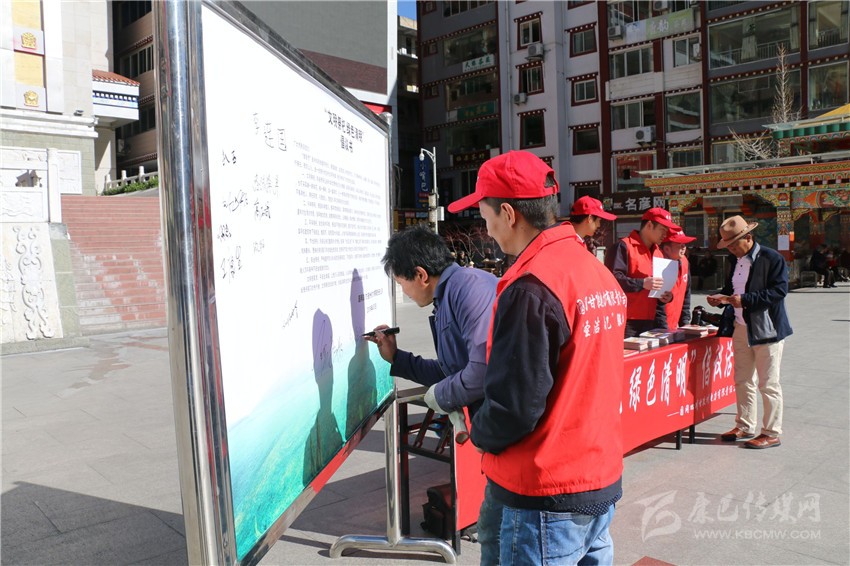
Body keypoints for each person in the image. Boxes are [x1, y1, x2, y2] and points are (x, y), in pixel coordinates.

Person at [447, 151, 626, 565]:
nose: (486, 230)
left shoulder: (532, 286)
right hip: (597, 475)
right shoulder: (593, 270)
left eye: (485, 216)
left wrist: (477, 431)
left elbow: (515, 407)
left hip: (545, 492)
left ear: (509, 214)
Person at [365, 225, 497, 417]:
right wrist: (396, 357)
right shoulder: (450, 293)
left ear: (421, 275)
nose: (404, 292)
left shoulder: (469, 290)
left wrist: (441, 396)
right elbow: (450, 372)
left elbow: (483, 370)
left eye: (401, 283)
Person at [708, 215, 792, 449]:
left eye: (734, 245)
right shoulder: (735, 261)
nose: (732, 250)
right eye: (728, 246)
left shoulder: (772, 258)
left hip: (767, 329)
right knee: (742, 379)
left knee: (768, 383)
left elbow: (779, 291)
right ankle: (745, 424)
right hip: (741, 327)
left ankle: (771, 432)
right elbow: (732, 289)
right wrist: (721, 298)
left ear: (749, 238)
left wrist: (745, 300)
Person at [604, 207, 680, 337]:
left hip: (652, 320)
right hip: (627, 320)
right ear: (649, 225)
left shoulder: (658, 252)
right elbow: (612, 280)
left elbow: (657, 287)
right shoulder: (624, 246)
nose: (665, 235)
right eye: (662, 230)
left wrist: (665, 297)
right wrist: (642, 283)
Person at [659, 229, 695, 330]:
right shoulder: (659, 266)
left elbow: (686, 294)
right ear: (667, 249)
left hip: (675, 324)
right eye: (680, 245)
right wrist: (663, 327)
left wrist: (685, 321)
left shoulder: (684, 262)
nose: (684, 248)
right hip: (660, 326)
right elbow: (657, 304)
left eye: (684, 244)